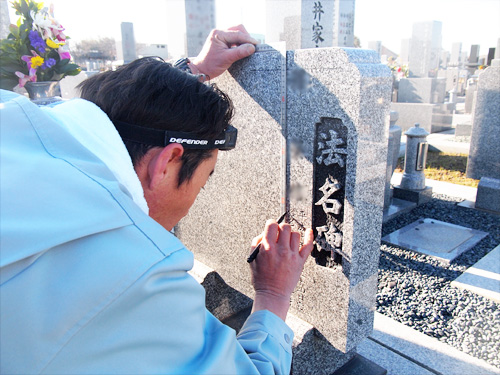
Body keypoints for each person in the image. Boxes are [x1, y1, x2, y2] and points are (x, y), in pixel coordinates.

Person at [0, 26, 314, 374]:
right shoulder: (142, 281)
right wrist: (273, 295)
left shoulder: (13, 115)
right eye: (204, 180)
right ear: (166, 162)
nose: (198, 196)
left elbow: (107, 118)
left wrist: (184, 79)